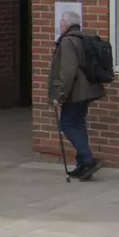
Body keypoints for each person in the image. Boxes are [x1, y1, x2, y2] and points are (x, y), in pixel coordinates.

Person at [48, 11, 105, 181]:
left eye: (61, 22)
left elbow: (68, 71)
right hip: (87, 90)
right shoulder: (82, 38)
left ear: (66, 24)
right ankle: (83, 166)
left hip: (76, 92)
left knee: (67, 124)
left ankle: (88, 160)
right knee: (78, 124)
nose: (59, 25)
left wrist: (60, 96)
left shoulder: (67, 41)